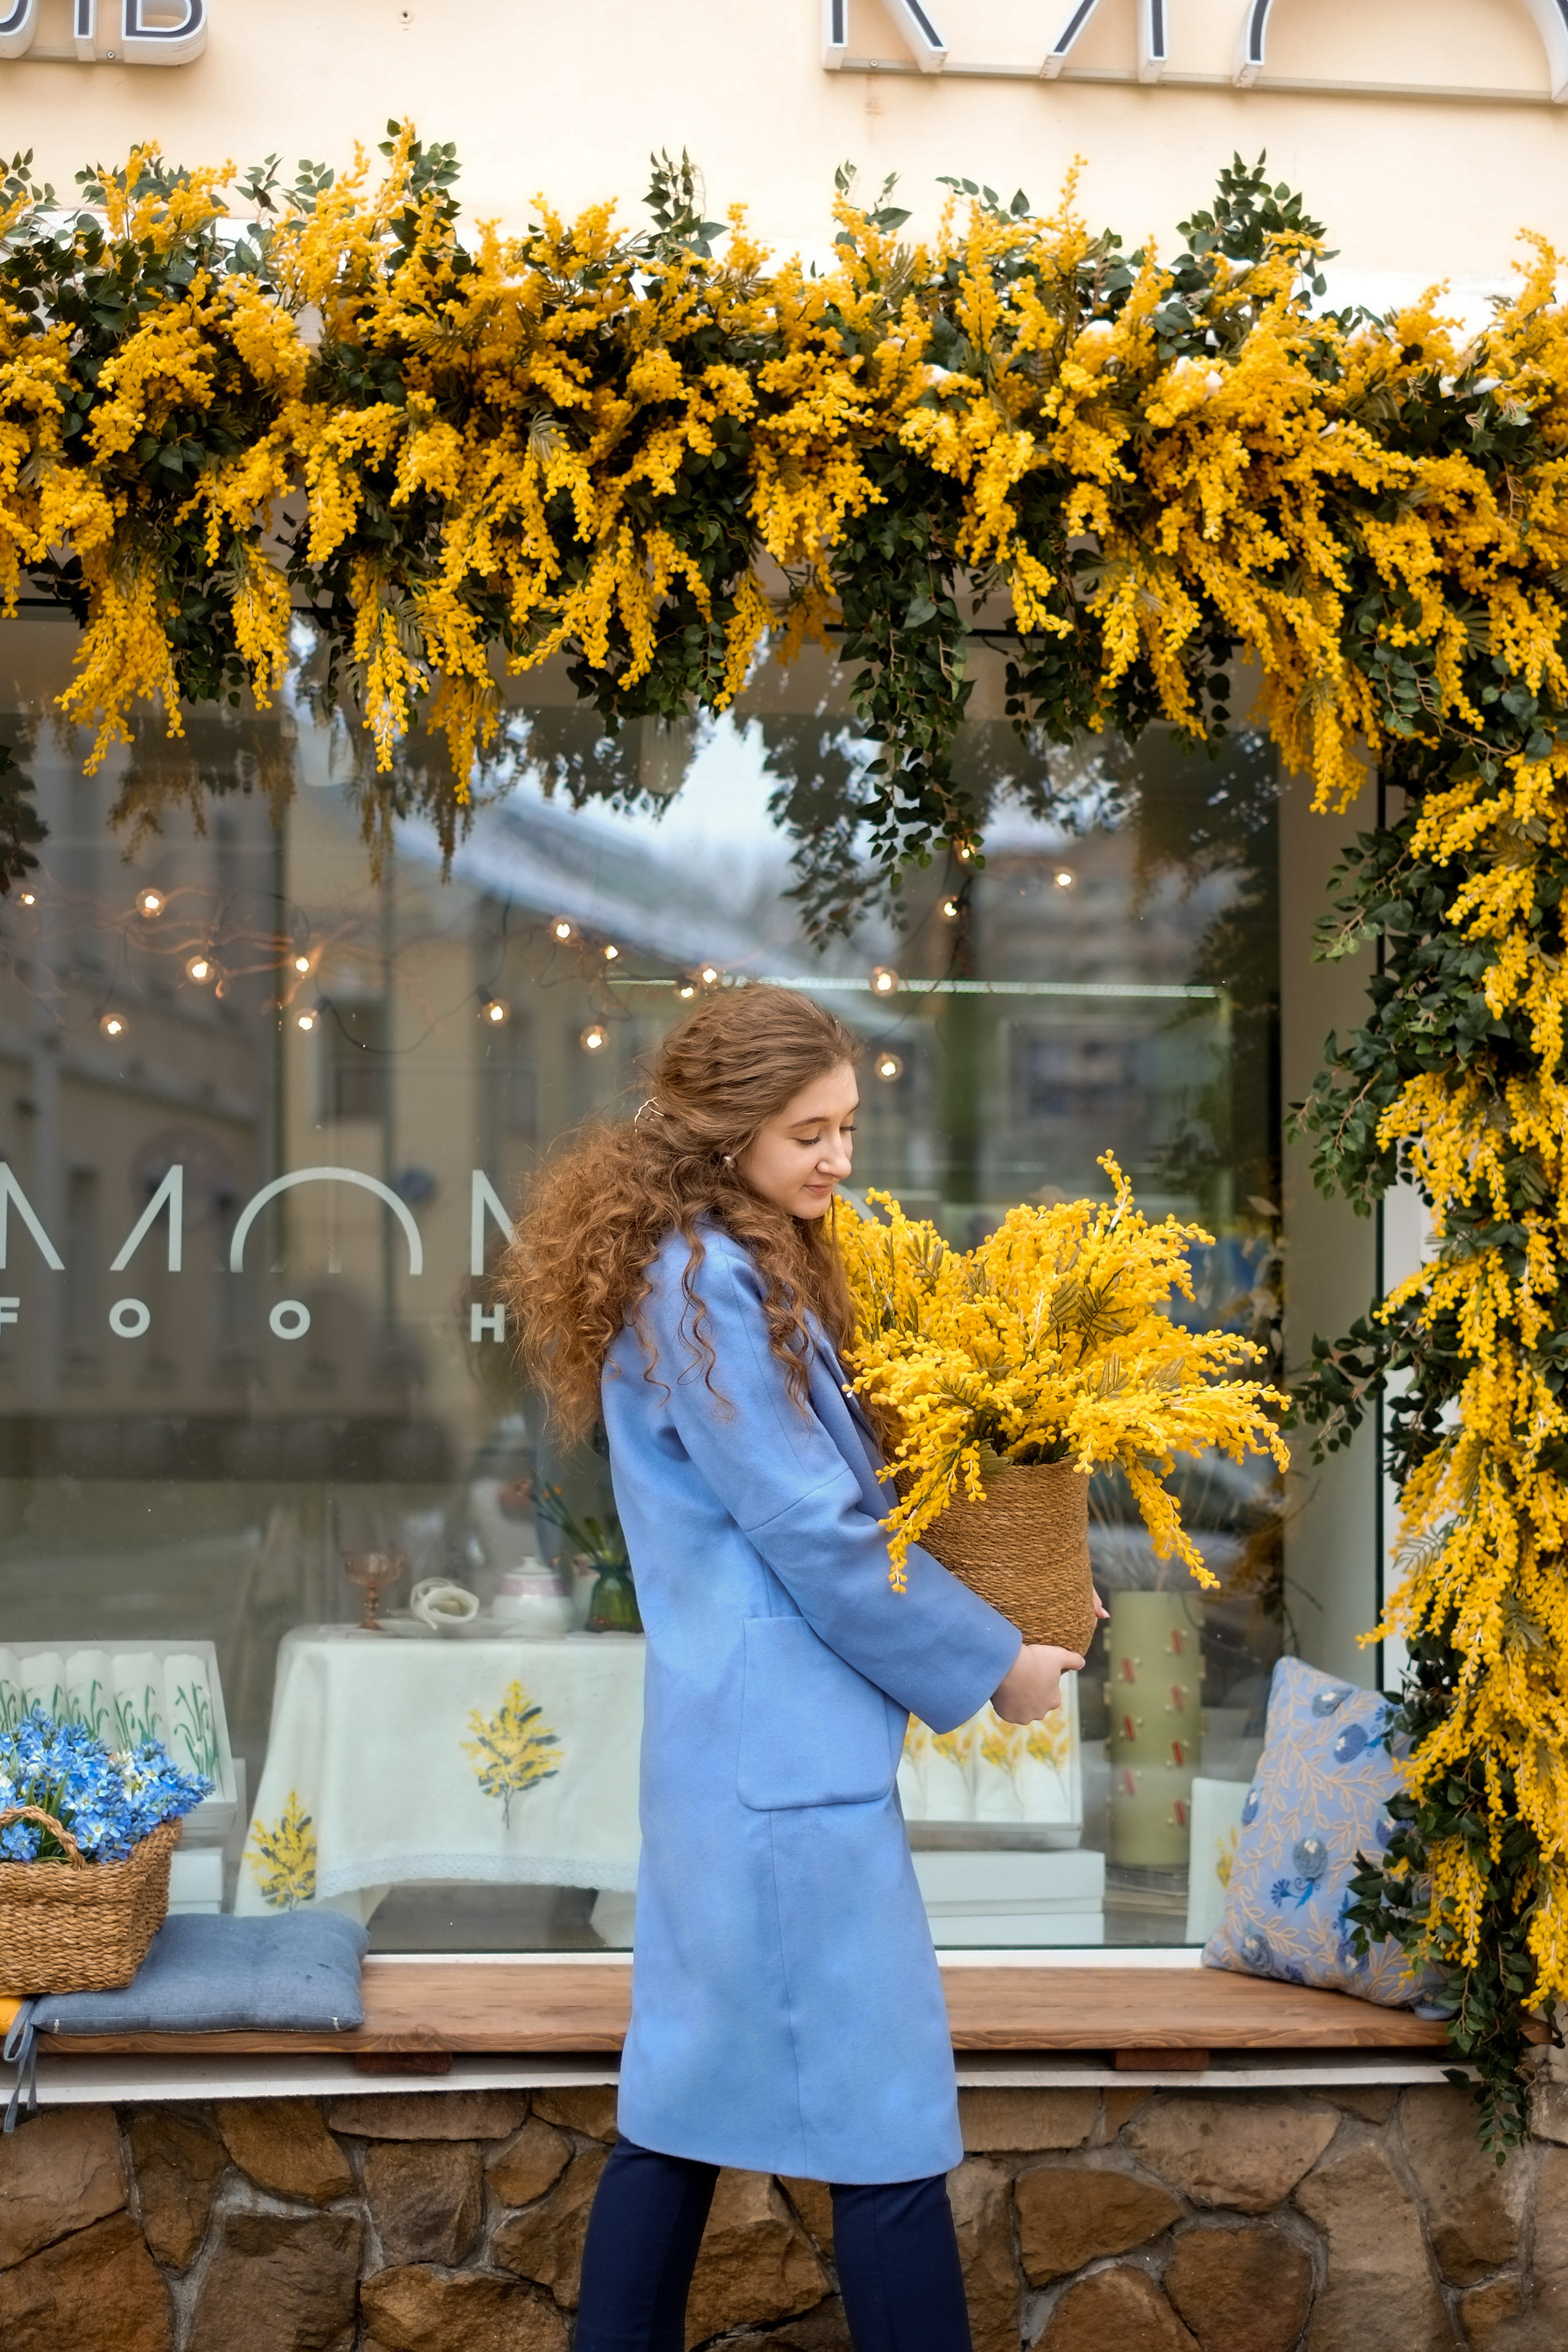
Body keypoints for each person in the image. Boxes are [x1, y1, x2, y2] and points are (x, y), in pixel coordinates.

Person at [507, 986, 1093, 2352]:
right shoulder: (706, 1277)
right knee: (880, 2128)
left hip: (747, 1757)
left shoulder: (713, 1260)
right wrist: (992, 1664)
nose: (840, 1159)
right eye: (809, 1133)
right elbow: (810, 1531)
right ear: (724, 1137)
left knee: (688, 2108)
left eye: (845, 1128)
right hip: (777, 1772)